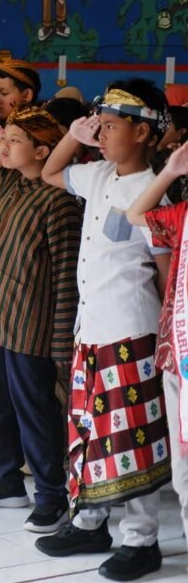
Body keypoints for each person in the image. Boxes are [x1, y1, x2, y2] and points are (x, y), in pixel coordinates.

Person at [37, 80, 173, 581]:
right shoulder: (95, 174)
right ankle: (90, 520)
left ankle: (142, 540)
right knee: (90, 431)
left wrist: (166, 336)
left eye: (111, 126)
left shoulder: (154, 189)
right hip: (89, 329)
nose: (103, 134)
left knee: (133, 437)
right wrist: (75, 135)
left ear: (140, 132)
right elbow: (50, 171)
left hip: (131, 332)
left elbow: (164, 272)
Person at [0, 107, 82, 534]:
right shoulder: (7, 184)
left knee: (36, 411)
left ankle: (51, 495)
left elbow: (67, 278)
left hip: (33, 325)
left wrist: (62, 341)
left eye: (14, 141)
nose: (5, 146)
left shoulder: (60, 202)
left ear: (43, 151)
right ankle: (5, 480)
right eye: (4, 139)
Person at [128, 141, 188, 580]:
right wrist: (168, 172)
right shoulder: (181, 216)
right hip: (178, 357)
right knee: (184, 470)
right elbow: (136, 216)